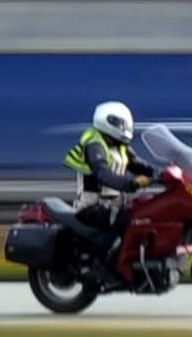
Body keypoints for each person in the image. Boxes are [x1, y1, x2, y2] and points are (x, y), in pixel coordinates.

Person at [62, 101, 157, 263]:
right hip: (92, 208)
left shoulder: (119, 146)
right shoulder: (94, 144)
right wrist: (132, 183)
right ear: (107, 121)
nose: (124, 128)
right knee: (128, 220)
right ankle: (99, 266)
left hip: (113, 206)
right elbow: (102, 173)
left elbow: (139, 164)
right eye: (120, 124)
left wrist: (165, 173)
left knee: (146, 214)